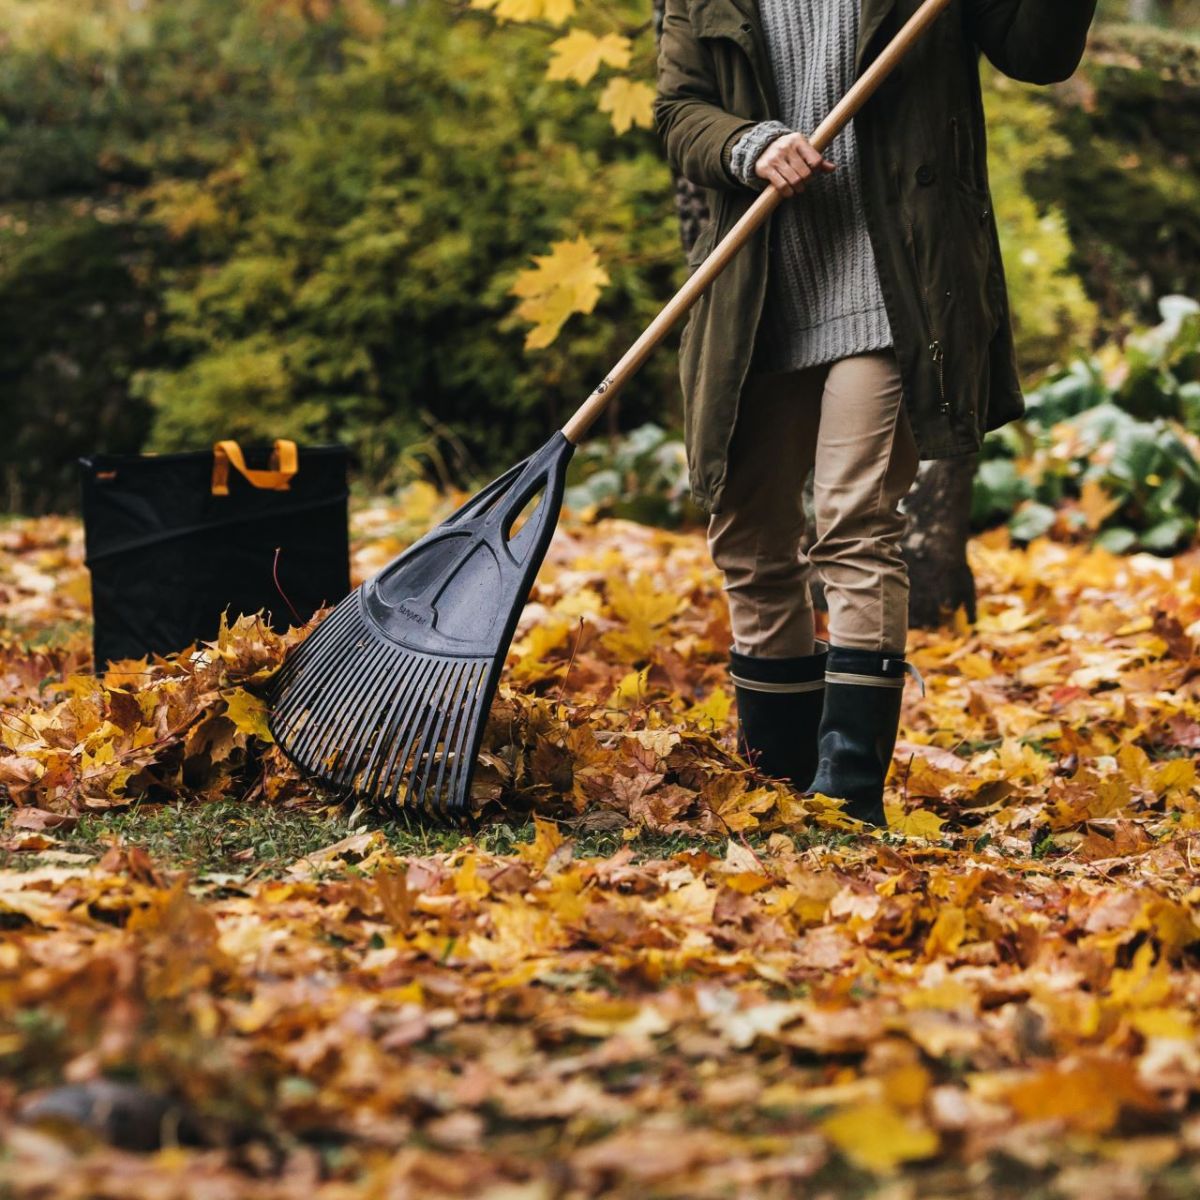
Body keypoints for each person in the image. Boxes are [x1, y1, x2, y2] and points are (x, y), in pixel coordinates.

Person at [654, 0, 1096, 825]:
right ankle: (779, 789)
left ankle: (848, 795)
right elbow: (681, 112)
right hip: (760, 288)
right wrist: (749, 145)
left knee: (855, 519)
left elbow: (1040, 53)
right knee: (748, 541)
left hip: (893, 283)